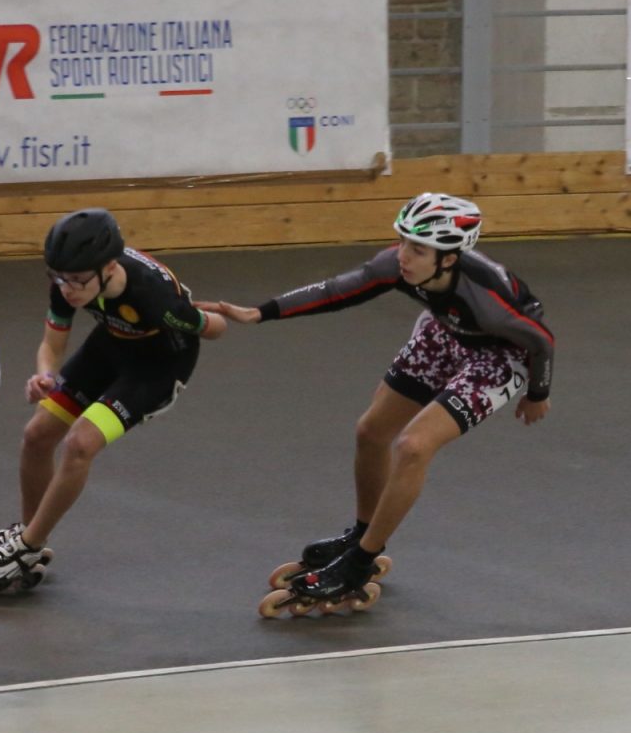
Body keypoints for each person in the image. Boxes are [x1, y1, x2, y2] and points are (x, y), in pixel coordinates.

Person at [201, 192, 554, 605]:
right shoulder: (399, 265)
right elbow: (335, 291)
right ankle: (363, 533)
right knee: (371, 432)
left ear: (448, 259)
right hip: (447, 331)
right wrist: (261, 312)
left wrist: (537, 393)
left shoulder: (488, 300)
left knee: (413, 446)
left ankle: (360, 562)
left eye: (417, 249)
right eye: (403, 241)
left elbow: (541, 342)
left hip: (501, 355)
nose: (402, 256)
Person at [0, 208, 226, 589]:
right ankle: (29, 537)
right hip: (111, 345)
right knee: (36, 435)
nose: (68, 289)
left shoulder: (152, 297)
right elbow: (52, 345)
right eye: (59, 278)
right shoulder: (69, 279)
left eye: (78, 280)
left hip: (157, 368)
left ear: (110, 268)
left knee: (80, 443)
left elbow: (215, 329)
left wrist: (204, 314)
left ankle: (26, 547)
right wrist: (45, 375)